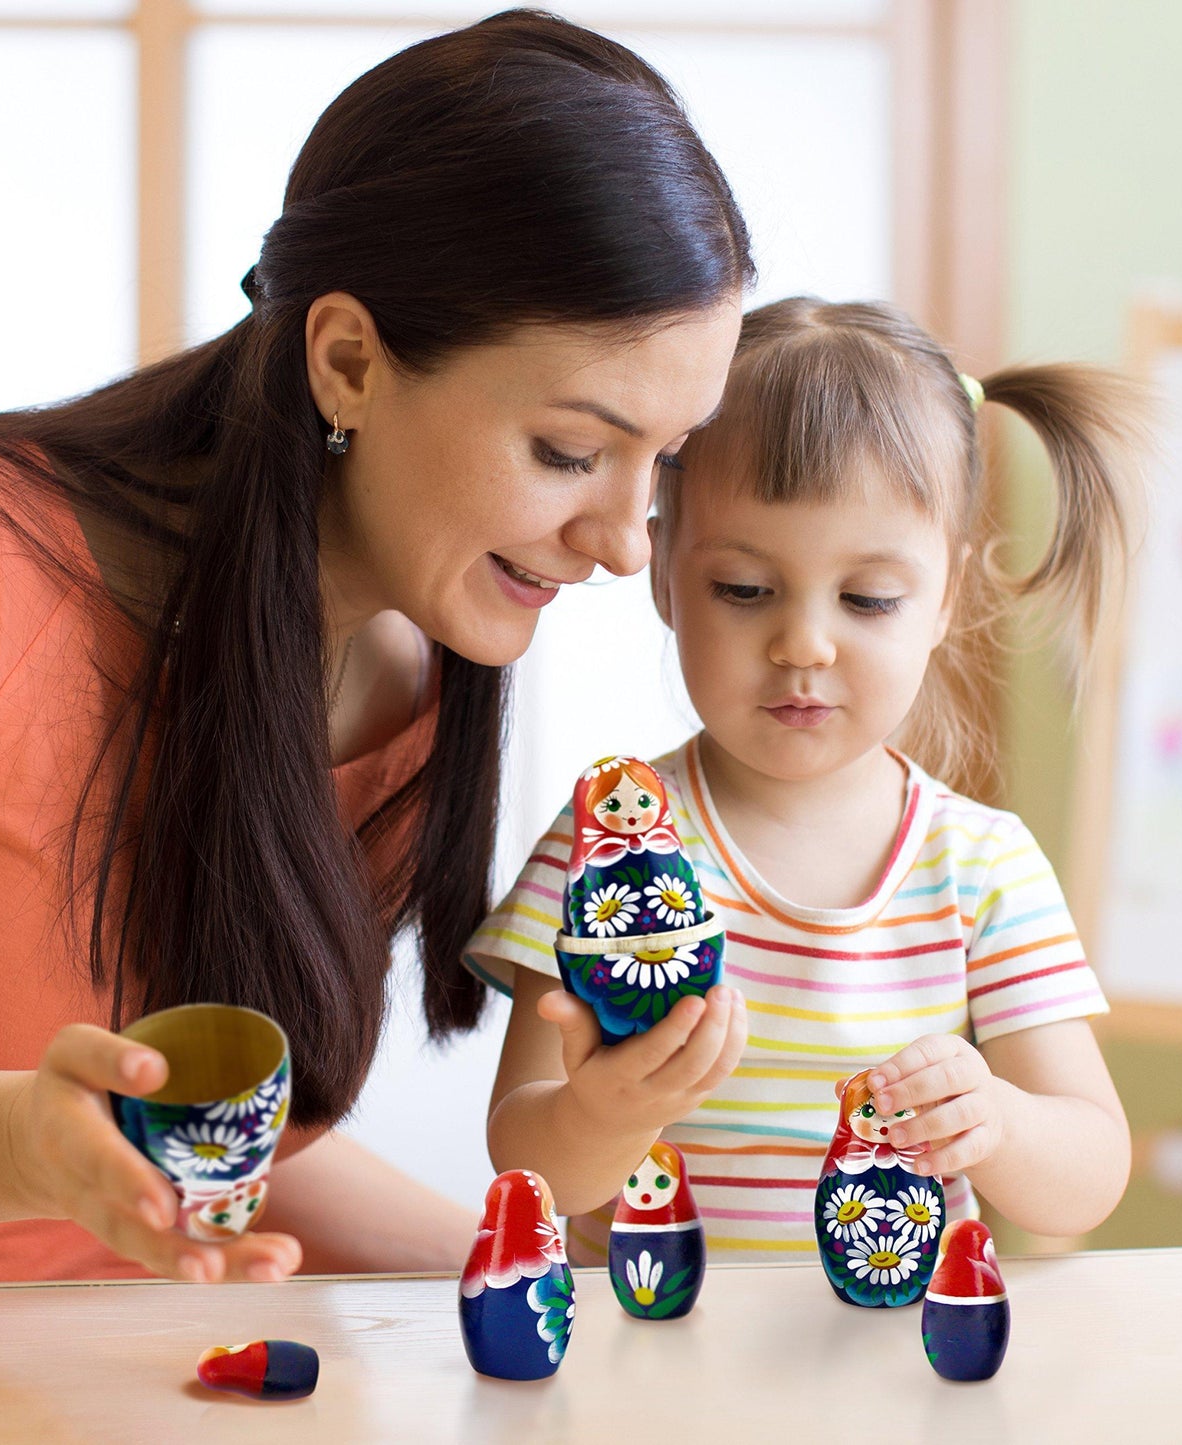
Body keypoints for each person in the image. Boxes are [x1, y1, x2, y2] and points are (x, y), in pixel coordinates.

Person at [0, 9, 751, 1285]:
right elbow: (77, 1158)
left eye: (663, 462)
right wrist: (19, 1141)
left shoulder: (408, 673)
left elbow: (248, 1150)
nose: (618, 542)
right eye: (568, 451)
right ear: (348, 361)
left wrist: (530, 1276)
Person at [466, 295, 1143, 1262]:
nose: (803, 644)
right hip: (658, 1389)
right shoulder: (612, 840)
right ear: (663, 575)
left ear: (945, 595)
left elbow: (1089, 1176)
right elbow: (527, 1170)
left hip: (895, 1392)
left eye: (867, 598)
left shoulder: (980, 867)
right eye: (743, 590)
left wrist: (992, 1118)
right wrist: (602, 1113)